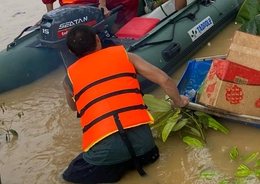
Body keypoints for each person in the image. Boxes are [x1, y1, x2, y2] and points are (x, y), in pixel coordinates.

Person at [62, 24, 190, 183]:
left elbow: (74, 107)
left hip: (106, 162)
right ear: (97, 39)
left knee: (68, 175)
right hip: (147, 152)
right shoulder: (126, 55)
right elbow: (164, 79)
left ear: (72, 52)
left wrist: (70, 90)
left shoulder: (69, 79)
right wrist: (179, 101)